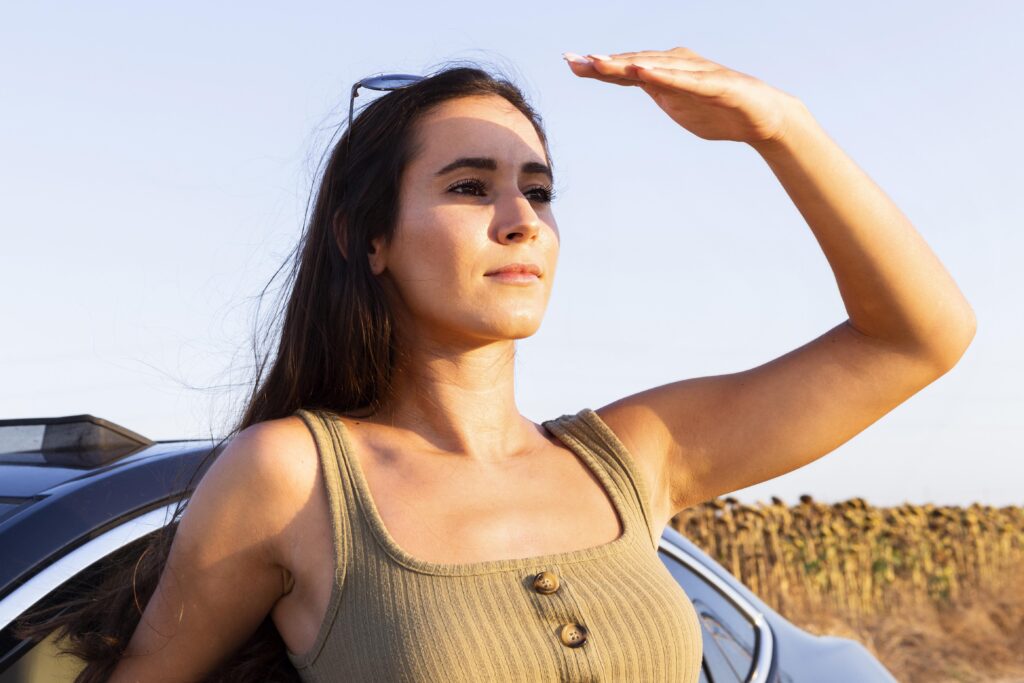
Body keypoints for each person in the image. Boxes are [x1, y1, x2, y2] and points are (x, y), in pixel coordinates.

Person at [15, 47, 975, 682]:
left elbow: (918, 335)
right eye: (470, 186)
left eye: (540, 188)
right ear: (370, 239)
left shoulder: (634, 456)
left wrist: (781, 127)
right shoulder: (294, 477)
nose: (521, 218)